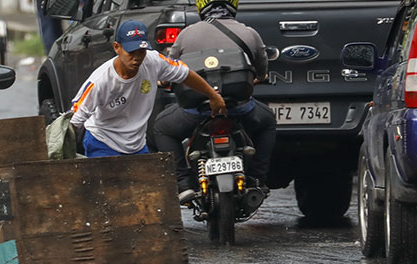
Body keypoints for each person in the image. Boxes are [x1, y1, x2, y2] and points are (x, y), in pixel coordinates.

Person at [153, 0, 276, 197]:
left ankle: (183, 185)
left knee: (162, 127)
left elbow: (171, 67)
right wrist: (260, 78)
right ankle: (256, 180)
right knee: (268, 121)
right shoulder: (249, 33)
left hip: (195, 110)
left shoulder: (186, 34)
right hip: (239, 109)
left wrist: (163, 82)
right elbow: (261, 69)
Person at [70, 20, 226, 158]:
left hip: (137, 146)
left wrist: (213, 95)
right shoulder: (100, 81)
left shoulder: (153, 60)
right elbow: (75, 119)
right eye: (131, 52)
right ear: (117, 47)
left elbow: (185, 74)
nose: (137, 58)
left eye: (141, 52)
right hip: (103, 143)